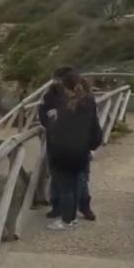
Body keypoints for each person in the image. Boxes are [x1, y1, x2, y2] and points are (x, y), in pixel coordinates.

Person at [44, 69, 102, 230]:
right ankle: (73, 216)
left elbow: (57, 130)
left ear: (65, 87)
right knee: (77, 184)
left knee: (66, 188)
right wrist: (91, 146)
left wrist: (52, 122)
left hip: (64, 153)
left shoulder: (66, 107)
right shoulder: (89, 102)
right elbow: (95, 129)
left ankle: (66, 220)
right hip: (81, 153)